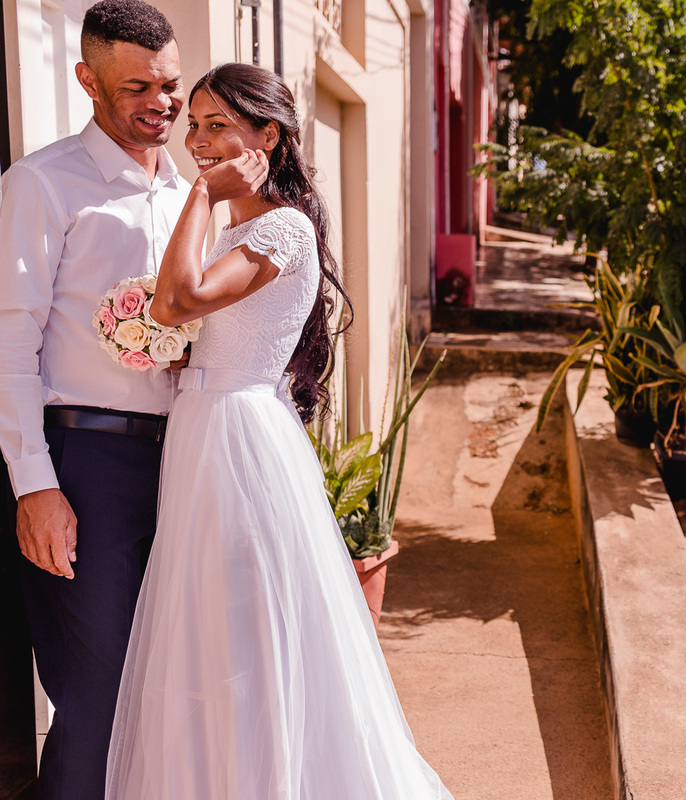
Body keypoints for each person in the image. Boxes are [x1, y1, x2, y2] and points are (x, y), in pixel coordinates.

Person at [104, 63, 453, 799]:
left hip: (240, 440)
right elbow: (194, 324)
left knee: (247, 624)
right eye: (192, 124)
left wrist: (201, 192)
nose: (197, 139)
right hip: (201, 429)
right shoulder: (238, 226)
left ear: (268, 136)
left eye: (217, 125)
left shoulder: (284, 227)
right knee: (205, 628)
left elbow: (179, 301)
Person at [0, 3, 261, 796]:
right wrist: (35, 485)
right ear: (87, 80)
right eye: (136, 86)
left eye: (171, 84)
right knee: (100, 696)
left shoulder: (190, 193)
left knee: (176, 692)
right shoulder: (42, 185)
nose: (161, 102)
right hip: (87, 467)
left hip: (183, 461)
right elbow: (11, 343)